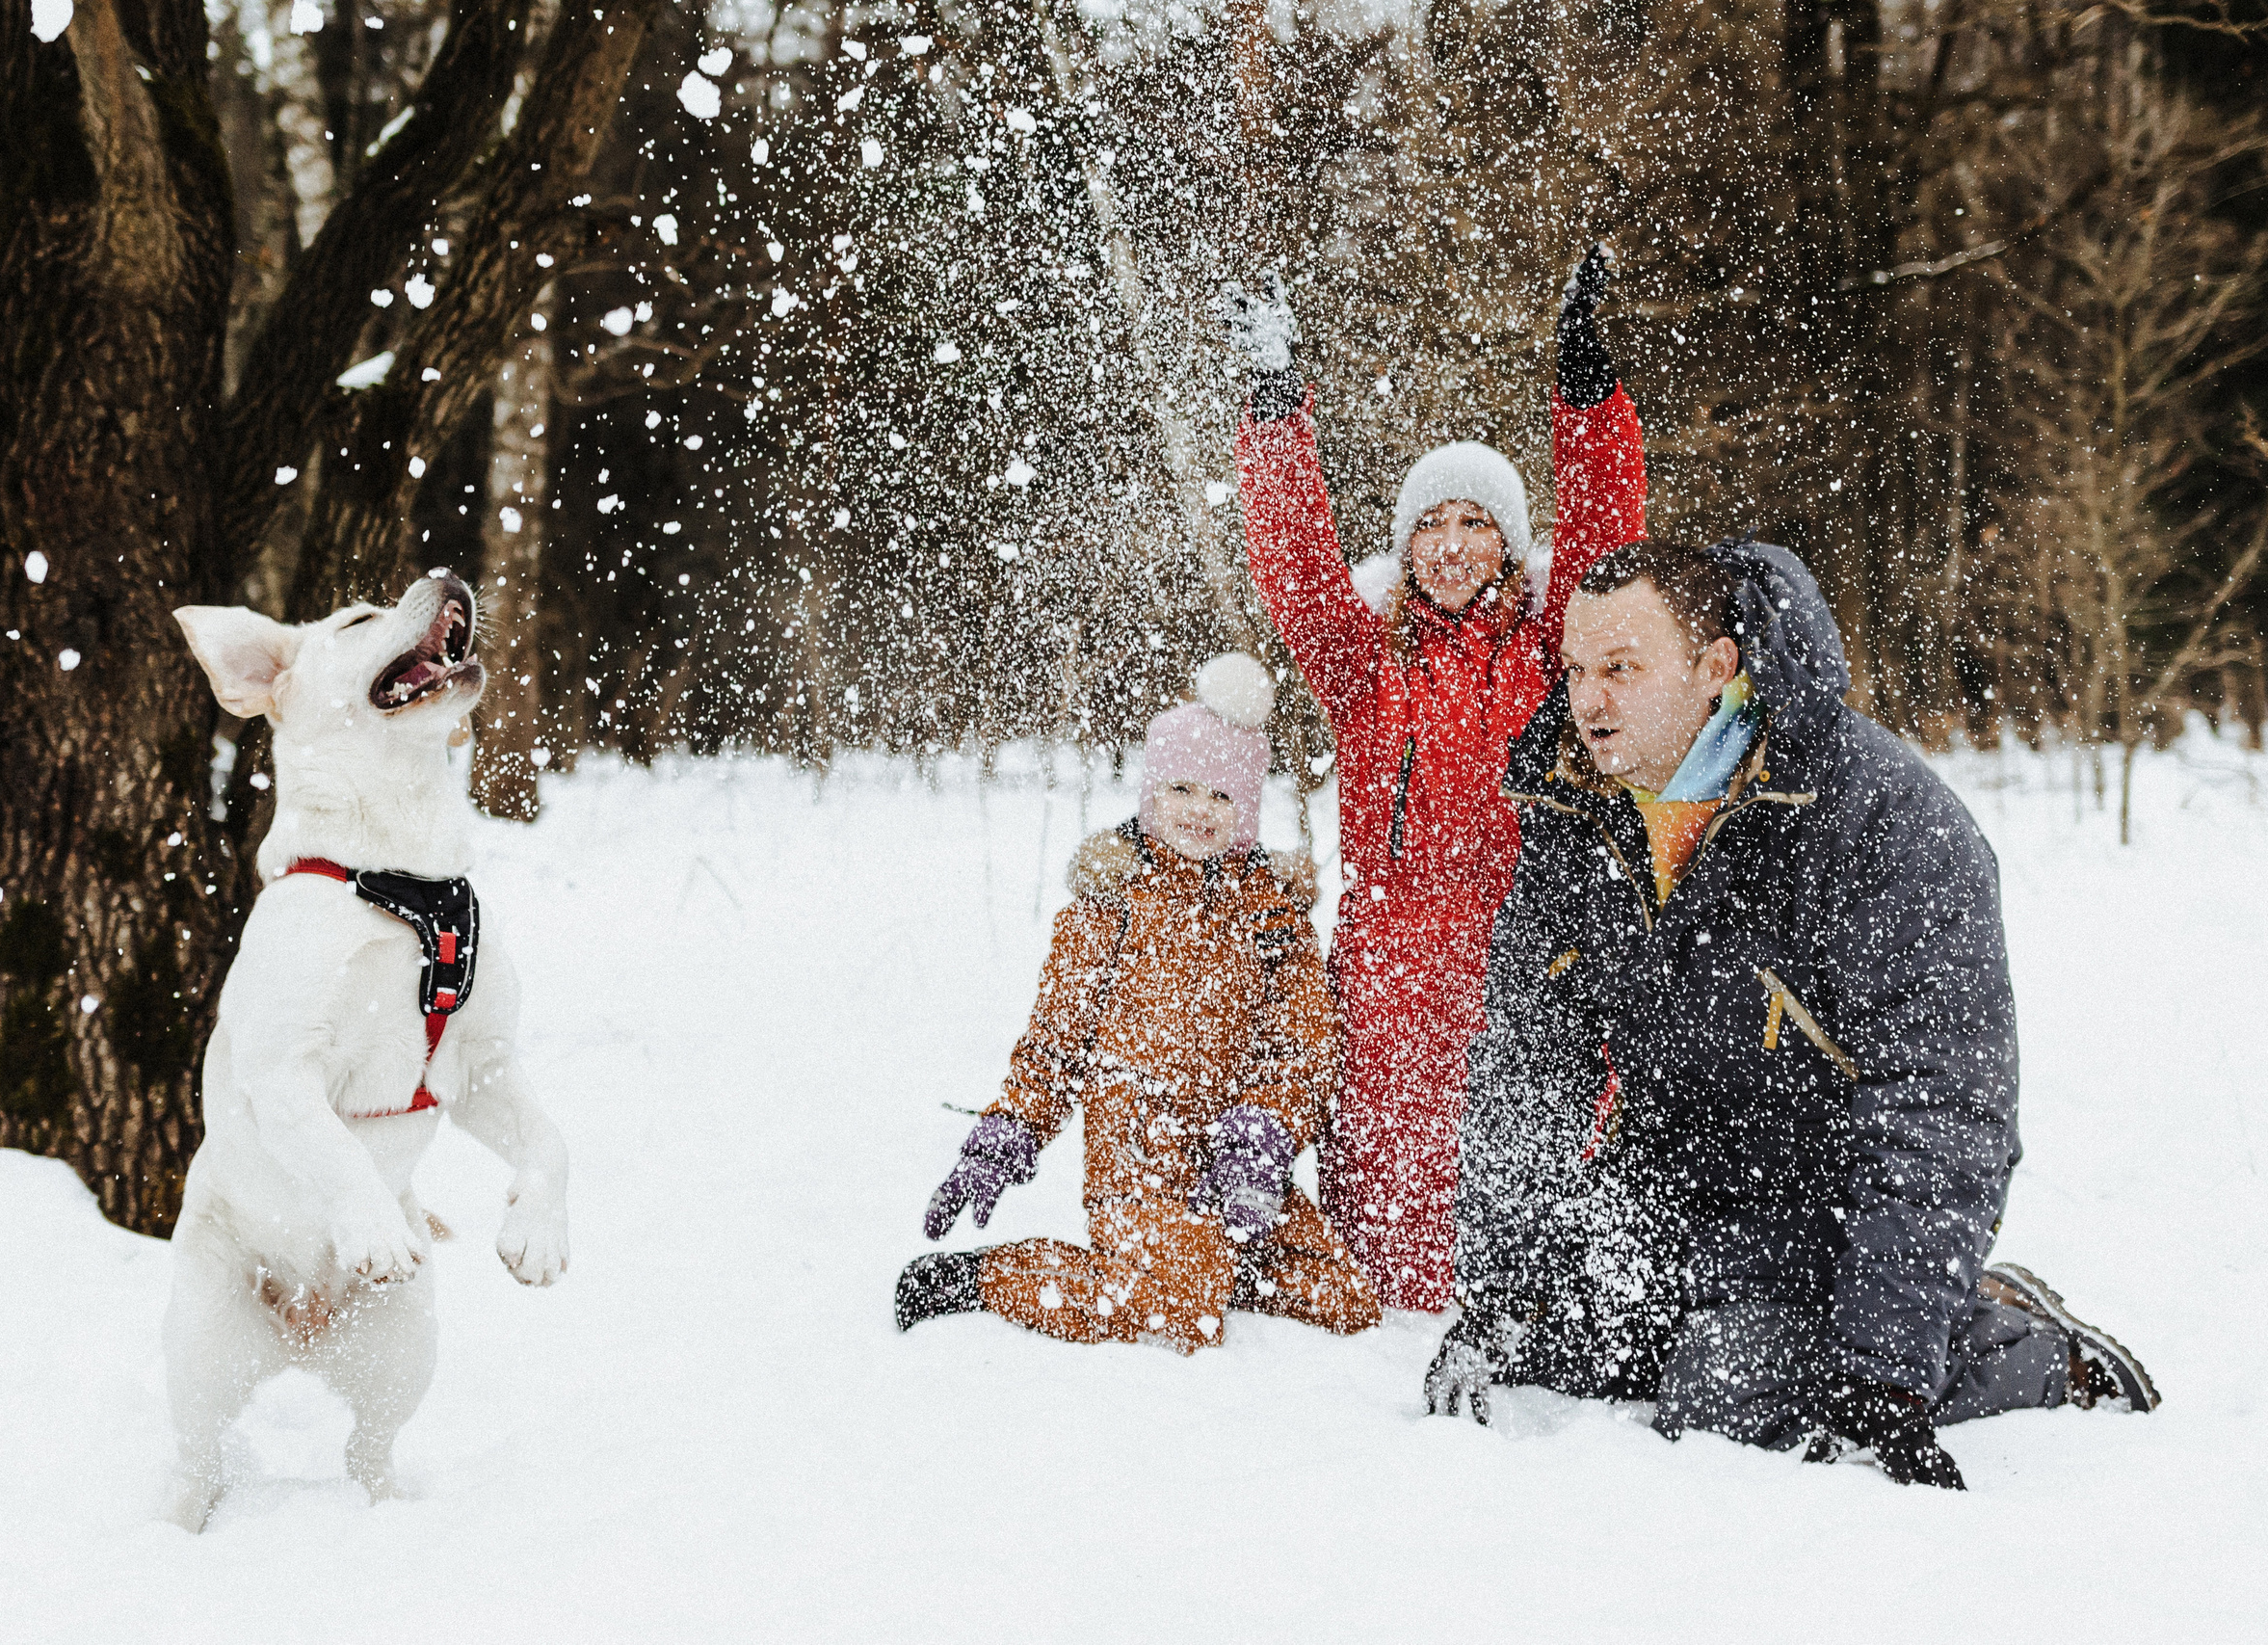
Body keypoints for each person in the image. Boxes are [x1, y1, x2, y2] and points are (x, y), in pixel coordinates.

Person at [1426, 535, 2158, 1486]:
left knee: (1726, 1400)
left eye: (1621, 669)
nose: (1588, 700)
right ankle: (1741, 1315)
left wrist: (1884, 1370)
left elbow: (1942, 1107)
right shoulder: (1576, 809)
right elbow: (1529, 1065)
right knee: (1556, 1342)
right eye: (1573, 669)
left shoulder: (1881, 821)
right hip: (1672, 1184)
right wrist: (1498, 1295)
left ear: (1714, 666)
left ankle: (2019, 1343)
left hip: (1830, 1204)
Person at [1215, 247, 1646, 1311]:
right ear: (1405, 547)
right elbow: (1295, 565)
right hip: (1390, 976)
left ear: (1509, 541)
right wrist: (1274, 411)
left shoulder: (1556, 645)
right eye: (1430, 526)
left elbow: (1606, 532)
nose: (1450, 546)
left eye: (1474, 522)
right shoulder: (1365, 660)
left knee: (1522, 1232)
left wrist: (1586, 395)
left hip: (1527, 959)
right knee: (1389, 1261)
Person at [895, 654, 1380, 1351]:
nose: (1200, 810)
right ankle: (987, 1278)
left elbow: (1303, 1045)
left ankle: (1204, 1261)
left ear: (1246, 806)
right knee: (1184, 1314)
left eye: (1222, 795)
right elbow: (1057, 1042)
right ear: (1153, 790)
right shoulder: (1110, 903)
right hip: (1136, 1159)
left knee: (1345, 1297)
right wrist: (1013, 1126)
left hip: (1228, 1157)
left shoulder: (1272, 913)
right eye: (1182, 788)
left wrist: (1264, 1131)